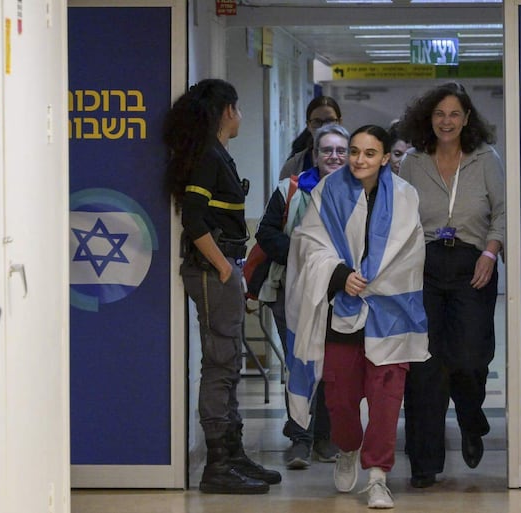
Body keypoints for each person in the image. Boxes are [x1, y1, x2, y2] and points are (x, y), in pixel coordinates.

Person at [284, 125, 430, 509]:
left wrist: (374, 280)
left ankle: (378, 476)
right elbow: (307, 244)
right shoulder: (327, 191)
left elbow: (411, 254)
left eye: (369, 153)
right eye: (354, 151)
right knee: (341, 402)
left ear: (385, 158)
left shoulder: (405, 197)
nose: (359, 160)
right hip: (342, 315)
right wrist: (338, 275)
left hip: (391, 313)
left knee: (386, 400)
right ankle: (348, 448)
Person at [163, 79, 282, 494]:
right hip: (213, 271)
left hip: (223, 268)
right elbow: (193, 219)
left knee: (228, 362)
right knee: (219, 363)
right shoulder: (207, 157)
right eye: (239, 107)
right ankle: (217, 465)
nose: (241, 115)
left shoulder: (216, 154)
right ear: (227, 111)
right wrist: (225, 269)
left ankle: (232, 455)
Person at [398, 82, 504, 489]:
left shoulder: (485, 159)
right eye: (440, 114)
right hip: (423, 266)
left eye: (455, 114)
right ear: (429, 117)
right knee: (425, 366)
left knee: (470, 357)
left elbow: (502, 211)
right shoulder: (413, 162)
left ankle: (471, 419)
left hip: (472, 263)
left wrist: (490, 253)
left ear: (466, 119)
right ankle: (424, 464)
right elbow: (401, 216)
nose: (447, 121)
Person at [255, 124, 351, 469]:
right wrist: (302, 253)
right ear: (315, 154)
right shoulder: (291, 189)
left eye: (341, 150)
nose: (334, 157)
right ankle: (299, 439)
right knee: (300, 364)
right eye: (327, 150)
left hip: (338, 295)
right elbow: (265, 233)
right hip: (290, 292)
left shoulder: (359, 192)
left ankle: (325, 438)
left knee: (331, 368)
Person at [279, 96, 343, 180]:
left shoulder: (355, 163)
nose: (324, 127)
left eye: (330, 121)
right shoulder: (293, 167)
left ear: (340, 122)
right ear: (308, 125)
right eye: (317, 122)